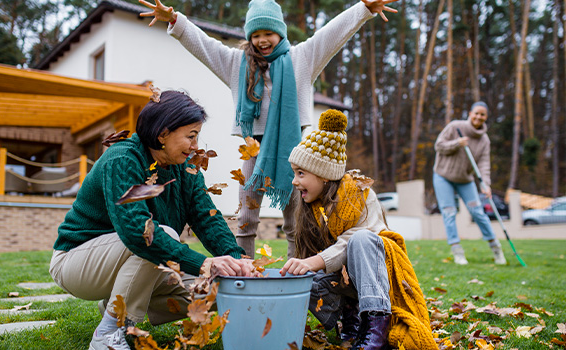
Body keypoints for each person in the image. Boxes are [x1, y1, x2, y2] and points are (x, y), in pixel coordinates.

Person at [139, 0, 399, 258]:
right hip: (253, 150)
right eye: (256, 35)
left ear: (280, 33)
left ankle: (297, 272)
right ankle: (245, 270)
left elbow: (330, 34)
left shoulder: (301, 59)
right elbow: (205, 46)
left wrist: (363, 10)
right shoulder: (235, 64)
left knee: (296, 221)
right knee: (246, 218)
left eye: (268, 33)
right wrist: (175, 20)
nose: (262, 40)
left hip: (293, 150)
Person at [49, 90, 255, 350]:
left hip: (133, 262)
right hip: (76, 262)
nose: (195, 145)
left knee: (222, 288)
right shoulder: (124, 159)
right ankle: (109, 333)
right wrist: (203, 263)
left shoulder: (186, 168)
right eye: (190, 136)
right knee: (158, 234)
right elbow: (137, 231)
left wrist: (238, 263)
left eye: (197, 136)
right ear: (162, 134)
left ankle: (115, 303)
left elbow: (208, 219)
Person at [280, 109, 437, 350]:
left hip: (375, 277)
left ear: (323, 175)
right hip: (343, 281)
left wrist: (316, 261)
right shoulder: (310, 208)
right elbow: (308, 257)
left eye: (301, 173)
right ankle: (350, 320)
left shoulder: (359, 196)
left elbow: (351, 243)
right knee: (301, 277)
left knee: (361, 240)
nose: (294, 180)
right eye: (294, 173)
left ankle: (376, 328)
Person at [432, 101, 507, 265]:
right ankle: (457, 251)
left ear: (486, 117)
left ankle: (496, 248)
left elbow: (484, 164)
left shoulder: (484, 140)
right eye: (476, 113)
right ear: (470, 114)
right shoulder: (455, 127)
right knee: (449, 212)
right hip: (443, 176)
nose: (479, 117)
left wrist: (485, 184)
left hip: (465, 180)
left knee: (478, 212)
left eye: (483, 115)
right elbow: (439, 146)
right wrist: (457, 143)